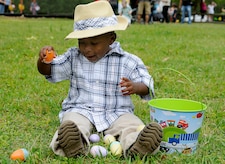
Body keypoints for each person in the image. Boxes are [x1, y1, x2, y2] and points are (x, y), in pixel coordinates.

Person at [37, 1, 162, 158]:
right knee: (72, 123)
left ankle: (137, 145)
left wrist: (136, 87)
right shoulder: (73, 56)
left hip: (117, 112)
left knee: (131, 125)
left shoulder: (128, 61)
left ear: (111, 38)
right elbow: (50, 71)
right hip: (81, 109)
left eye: (94, 43)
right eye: (81, 43)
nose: (87, 49)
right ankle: (73, 145)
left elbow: (147, 84)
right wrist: (43, 61)